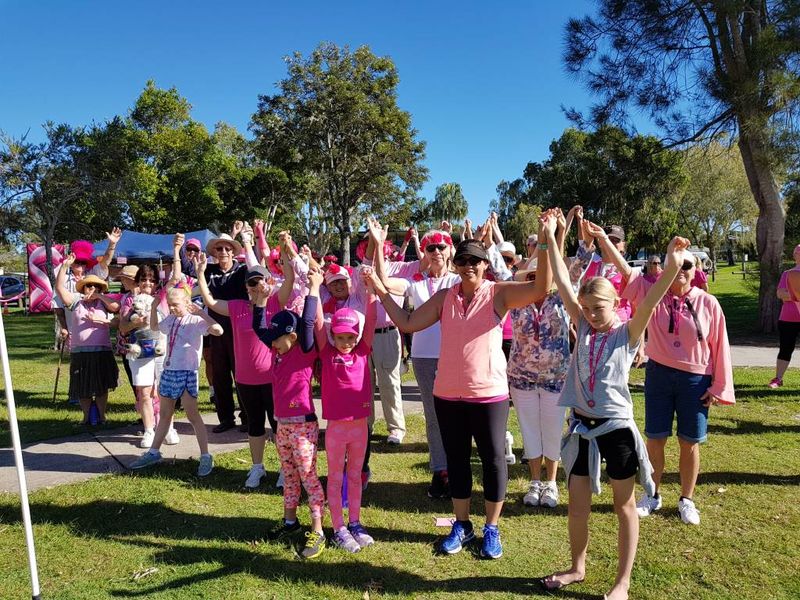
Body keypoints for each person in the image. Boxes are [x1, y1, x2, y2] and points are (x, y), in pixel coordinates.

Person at [538, 209, 689, 600]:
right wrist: (551, 238)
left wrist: (671, 266)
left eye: (598, 309)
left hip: (616, 430)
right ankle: (577, 567)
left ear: (614, 303)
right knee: (577, 507)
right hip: (581, 428)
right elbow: (564, 284)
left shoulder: (627, 332)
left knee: (624, 506)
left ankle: (622, 582)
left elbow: (650, 301)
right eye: (586, 309)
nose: (590, 315)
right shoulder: (583, 324)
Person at [369, 236, 549, 560]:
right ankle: (462, 524)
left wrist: (547, 244)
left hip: (488, 395)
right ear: (456, 264)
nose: (468, 266)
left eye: (475, 261)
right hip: (448, 394)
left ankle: (491, 527)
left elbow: (540, 289)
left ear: (485, 264)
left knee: (493, 461)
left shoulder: (498, 293)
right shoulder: (444, 297)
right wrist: (381, 292)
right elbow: (408, 323)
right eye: (463, 261)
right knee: (457, 461)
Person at [625, 245, 735, 526]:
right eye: (676, 265)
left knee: (690, 441)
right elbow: (627, 275)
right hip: (659, 375)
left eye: (687, 266)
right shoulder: (653, 296)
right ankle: (652, 495)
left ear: (695, 270)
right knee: (655, 438)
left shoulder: (709, 303)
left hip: (695, 380)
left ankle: (687, 499)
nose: (681, 271)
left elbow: (720, 344)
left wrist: (719, 386)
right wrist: (602, 241)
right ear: (666, 268)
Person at [196, 233, 298, 489]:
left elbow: (290, 279)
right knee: (255, 425)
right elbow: (210, 301)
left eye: (259, 282)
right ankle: (257, 467)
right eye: (250, 284)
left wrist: (284, 249)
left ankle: (285, 468)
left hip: (271, 378)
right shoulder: (238, 307)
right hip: (245, 378)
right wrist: (200, 274)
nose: (254, 288)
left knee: (278, 425)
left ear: (268, 283)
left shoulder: (275, 303)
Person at [370, 219, 460, 498]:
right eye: (431, 248)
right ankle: (440, 471)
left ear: (450, 250)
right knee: (433, 416)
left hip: (455, 356)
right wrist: (377, 244)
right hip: (423, 357)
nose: (436, 252)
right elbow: (384, 282)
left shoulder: (458, 280)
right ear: (425, 252)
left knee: (457, 415)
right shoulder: (416, 282)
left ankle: (458, 470)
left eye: (441, 247)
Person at [253, 277, 325, 559]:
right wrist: (261, 301)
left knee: (308, 477)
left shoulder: (304, 351)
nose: (272, 344)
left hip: (303, 426)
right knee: (289, 475)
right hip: (282, 426)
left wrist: (314, 289)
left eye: (277, 340)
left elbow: (306, 322)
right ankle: (290, 521)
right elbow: (259, 329)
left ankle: (318, 530)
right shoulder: (278, 350)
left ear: (292, 337)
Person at [314, 267, 378, 555]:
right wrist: (315, 288)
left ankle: (355, 523)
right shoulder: (327, 353)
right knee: (335, 476)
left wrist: (372, 290)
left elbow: (372, 320)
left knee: (355, 475)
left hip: (360, 427)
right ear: (333, 336)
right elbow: (317, 322)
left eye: (351, 337)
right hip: (337, 429)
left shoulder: (363, 351)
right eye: (341, 337)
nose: (346, 342)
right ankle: (338, 528)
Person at [507, 222, 570, 510]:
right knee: (530, 430)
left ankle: (551, 483)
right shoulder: (516, 301)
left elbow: (578, 262)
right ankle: (535, 481)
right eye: (531, 276)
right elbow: (498, 267)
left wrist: (556, 234)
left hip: (555, 378)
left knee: (552, 431)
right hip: (522, 378)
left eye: (540, 275)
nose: (535, 280)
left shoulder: (562, 298)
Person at [129, 286, 224, 477]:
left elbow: (218, 330)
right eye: (170, 305)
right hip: (169, 371)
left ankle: (205, 455)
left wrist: (202, 314)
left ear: (187, 303)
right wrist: (155, 307)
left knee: (192, 415)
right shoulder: (171, 319)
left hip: (187, 372)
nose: (172, 308)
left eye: (176, 305)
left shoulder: (195, 320)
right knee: (165, 414)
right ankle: (154, 452)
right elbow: (155, 327)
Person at [203, 225, 258, 433]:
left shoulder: (243, 271)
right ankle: (225, 418)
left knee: (241, 374)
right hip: (217, 329)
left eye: (228, 248)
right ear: (214, 252)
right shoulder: (208, 272)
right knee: (220, 376)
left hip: (240, 330)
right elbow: (192, 282)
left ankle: (247, 417)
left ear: (234, 251)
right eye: (219, 249)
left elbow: (258, 268)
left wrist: (248, 239)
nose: (223, 252)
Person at [54, 254, 120, 425]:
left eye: (95, 286)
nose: (91, 288)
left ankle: (102, 416)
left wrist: (99, 296)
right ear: (82, 288)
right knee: (82, 386)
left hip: (102, 350)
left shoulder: (103, 302)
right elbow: (59, 288)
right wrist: (64, 266)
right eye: (88, 286)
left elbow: (116, 307)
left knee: (101, 386)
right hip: (80, 351)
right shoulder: (76, 301)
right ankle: (85, 417)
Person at [118, 264, 179, 448]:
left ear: (157, 282)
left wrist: (177, 252)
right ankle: (149, 430)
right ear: (138, 281)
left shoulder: (162, 298)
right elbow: (122, 327)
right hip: (140, 352)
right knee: (144, 392)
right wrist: (136, 323)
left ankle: (168, 428)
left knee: (164, 391)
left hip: (161, 350)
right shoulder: (130, 301)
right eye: (144, 279)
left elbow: (175, 278)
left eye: (152, 280)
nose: (148, 283)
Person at [770, 244, 800, 388]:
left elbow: (786, 294)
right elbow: (780, 293)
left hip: (790, 313)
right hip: (788, 317)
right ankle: (778, 379)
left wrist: (791, 295)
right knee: (786, 348)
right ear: (794, 256)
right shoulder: (787, 274)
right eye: (798, 252)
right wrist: (794, 296)